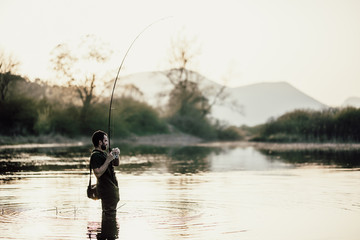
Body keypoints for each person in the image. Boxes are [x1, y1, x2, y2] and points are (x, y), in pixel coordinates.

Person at [90, 130, 120, 219]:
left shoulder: (103, 154)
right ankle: (109, 232)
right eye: (105, 141)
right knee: (109, 215)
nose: (107, 143)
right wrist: (108, 160)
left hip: (111, 189)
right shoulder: (95, 155)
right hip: (107, 190)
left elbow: (116, 164)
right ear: (100, 142)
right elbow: (98, 173)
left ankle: (107, 230)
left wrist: (116, 155)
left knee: (109, 214)